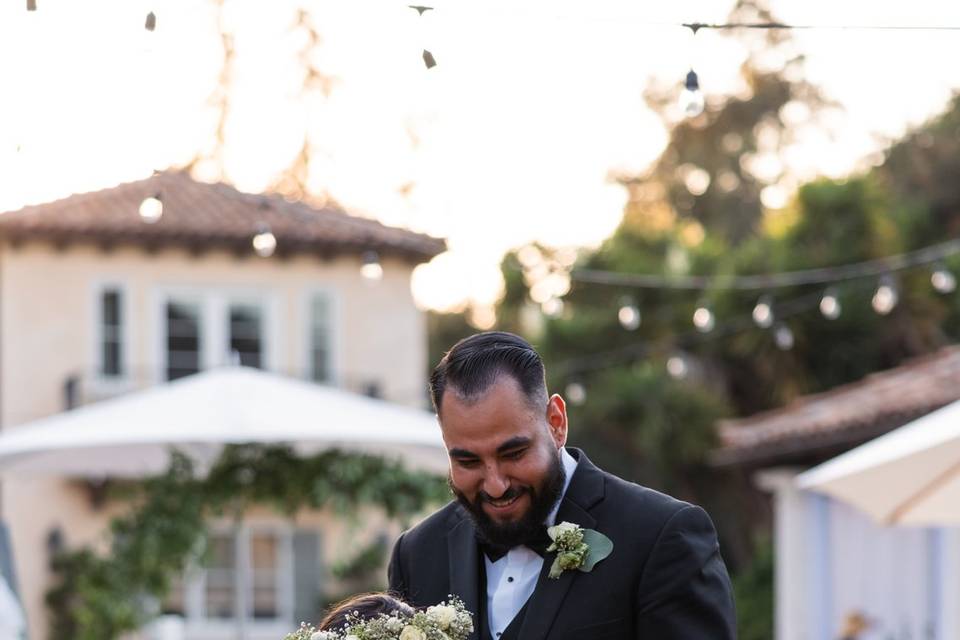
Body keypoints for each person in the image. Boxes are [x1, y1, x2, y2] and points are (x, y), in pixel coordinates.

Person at [388, 331, 736, 639]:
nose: (495, 485)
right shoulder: (416, 554)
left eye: (514, 453)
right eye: (468, 461)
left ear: (556, 423)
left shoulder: (662, 537)